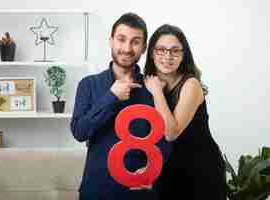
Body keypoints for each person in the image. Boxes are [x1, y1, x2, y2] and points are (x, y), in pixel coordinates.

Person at [70, 13, 171, 200]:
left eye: (135, 42)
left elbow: (167, 140)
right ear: (111, 41)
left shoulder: (155, 88)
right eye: (121, 39)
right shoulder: (89, 85)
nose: (126, 48)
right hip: (98, 190)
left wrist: (154, 170)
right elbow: (79, 132)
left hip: (140, 192)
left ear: (143, 48)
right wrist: (111, 97)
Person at [143, 24, 226, 199]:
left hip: (201, 171)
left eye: (175, 51)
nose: (168, 56)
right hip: (169, 169)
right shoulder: (149, 83)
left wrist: (157, 92)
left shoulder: (191, 85)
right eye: (161, 50)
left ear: (183, 55)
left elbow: (171, 133)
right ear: (151, 53)